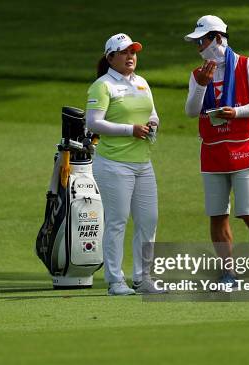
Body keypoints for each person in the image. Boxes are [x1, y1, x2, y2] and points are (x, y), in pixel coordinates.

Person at [184, 15, 249, 285]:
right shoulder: (198, 74)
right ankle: (227, 273)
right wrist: (202, 87)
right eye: (196, 43)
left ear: (218, 38)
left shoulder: (247, 64)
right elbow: (191, 111)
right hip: (212, 153)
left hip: (243, 150)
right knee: (217, 216)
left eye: (202, 41)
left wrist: (237, 112)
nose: (199, 47)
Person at [86, 33, 163, 295]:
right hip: (113, 164)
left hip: (142, 163)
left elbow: (152, 114)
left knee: (148, 220)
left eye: (133, 52)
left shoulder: (142, 83)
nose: (131, 57)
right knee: (117, 221)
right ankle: (115, 281)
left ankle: (143, 278)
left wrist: (153, 124)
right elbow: (93, 123)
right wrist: (130, 130)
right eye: (124, 52)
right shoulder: (103, 85)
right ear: (111, 57)